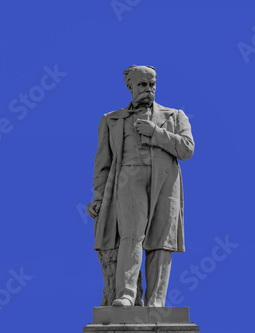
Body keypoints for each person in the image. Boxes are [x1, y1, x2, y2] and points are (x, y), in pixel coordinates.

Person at [87, 65, 194, 307]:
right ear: (130, 87)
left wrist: (155, 132)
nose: (148, 89)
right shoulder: (111, 120)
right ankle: (126, 294)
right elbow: (102, 163)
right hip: (128, 179)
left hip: (165, 184)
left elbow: (187, 149)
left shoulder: (175, 116)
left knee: (161, 240)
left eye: (152, 84)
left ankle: (156, 302)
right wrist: (98, 197)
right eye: (142, 84)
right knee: (131, 236)